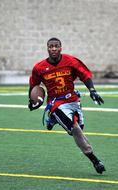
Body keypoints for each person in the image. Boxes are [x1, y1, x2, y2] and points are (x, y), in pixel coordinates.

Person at [28, 37, 106, 174]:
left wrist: (92, 90)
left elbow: (85, 75)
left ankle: (53, 119)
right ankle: (95, 160)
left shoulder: (70, 61)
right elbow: (34, 84)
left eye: (56, 46)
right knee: (75, 129)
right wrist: (32, 100)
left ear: (60, 48)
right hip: (56, 103)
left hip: (73, 99)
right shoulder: (39, 67)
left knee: (79, 128)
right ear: (47, 48)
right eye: (50, 46)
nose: (53, 49)